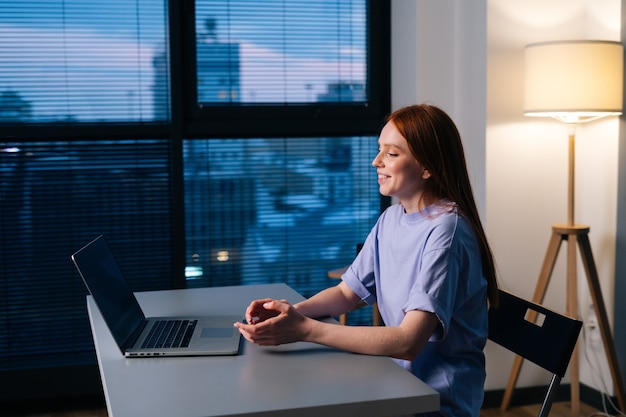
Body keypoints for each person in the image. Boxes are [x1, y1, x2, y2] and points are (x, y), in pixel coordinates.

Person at [234, 103, 499, 417]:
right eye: (379, 150)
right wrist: (288, 315)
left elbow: (408, 341)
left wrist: (304, 330)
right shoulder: (391, 218)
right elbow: (348, 293)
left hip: (434, 404)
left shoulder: (446, 233)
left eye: (391, 153)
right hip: (396, 383)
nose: (376, 162)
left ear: (427, 167)